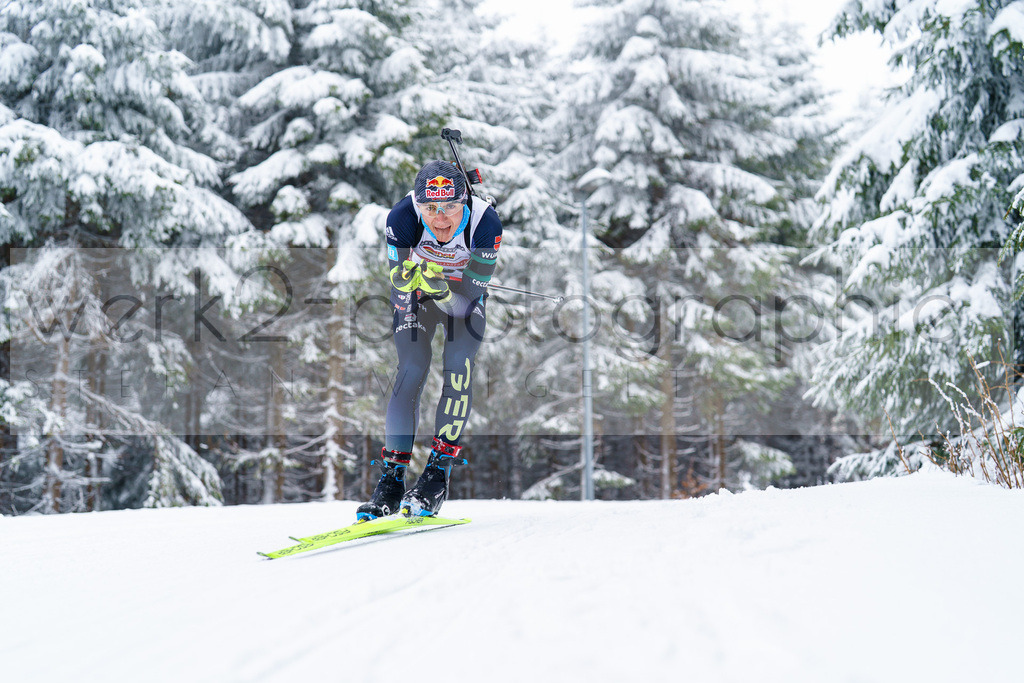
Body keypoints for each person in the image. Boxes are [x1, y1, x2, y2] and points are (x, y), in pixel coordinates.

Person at [357, 159, 502, 520]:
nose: (440, 219)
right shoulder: (401, 218)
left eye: (451, 207)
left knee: (458, 365)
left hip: (462, 300)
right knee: (411, 368)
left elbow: (467, 301)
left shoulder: (486, 223)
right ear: (418, 204)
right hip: (419, 297)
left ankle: (437, 475)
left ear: (465, 203)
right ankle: (391, 481)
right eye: (430, 208)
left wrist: (441, 290)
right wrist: (411, 285)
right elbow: (399, 285)